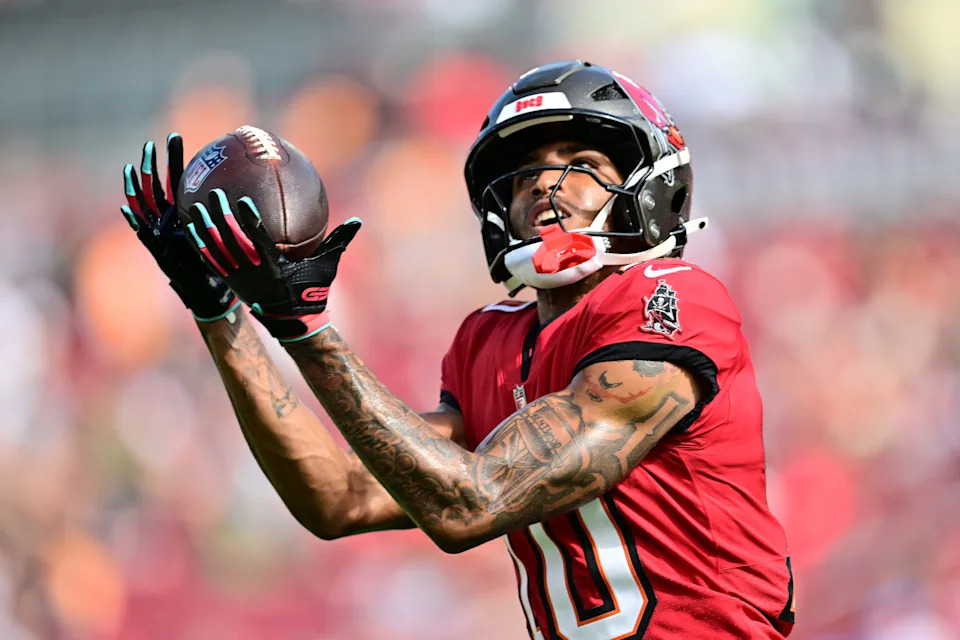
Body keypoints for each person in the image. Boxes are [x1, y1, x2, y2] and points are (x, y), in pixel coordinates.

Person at [121, 60, 794, 639]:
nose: (543, 184)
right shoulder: (490, 339)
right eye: (526, 171)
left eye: (580, 164)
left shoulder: (673, 298)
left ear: (647, 186)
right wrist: (221, 312)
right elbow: (339, 498)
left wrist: (304, 327)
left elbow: (473, 502)